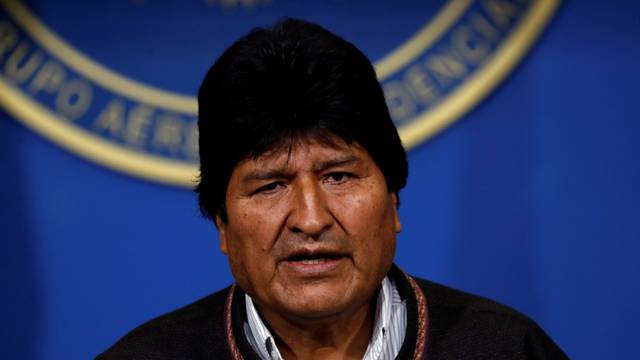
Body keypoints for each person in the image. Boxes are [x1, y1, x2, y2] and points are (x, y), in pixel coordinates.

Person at [98, 19, 567, 359]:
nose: (311, 217)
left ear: (394, 200)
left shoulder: (507, 349)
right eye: (271, 186)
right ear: (221, 222)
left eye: (337, 177)